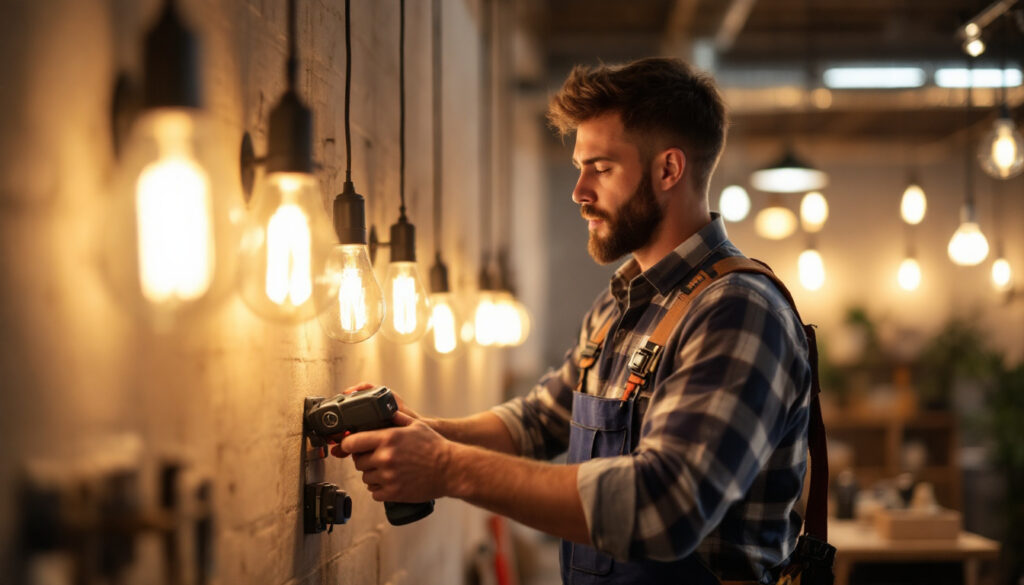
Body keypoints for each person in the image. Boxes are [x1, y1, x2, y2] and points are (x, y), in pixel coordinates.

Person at [336, 57, 812, 585]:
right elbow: (540, 420)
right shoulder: (621, 304)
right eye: (579, 168)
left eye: (601, 169)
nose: (579, 191)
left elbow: (667, 507)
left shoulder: (737, 310)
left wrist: (446, 467)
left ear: (668, 170)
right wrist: (426, 432)